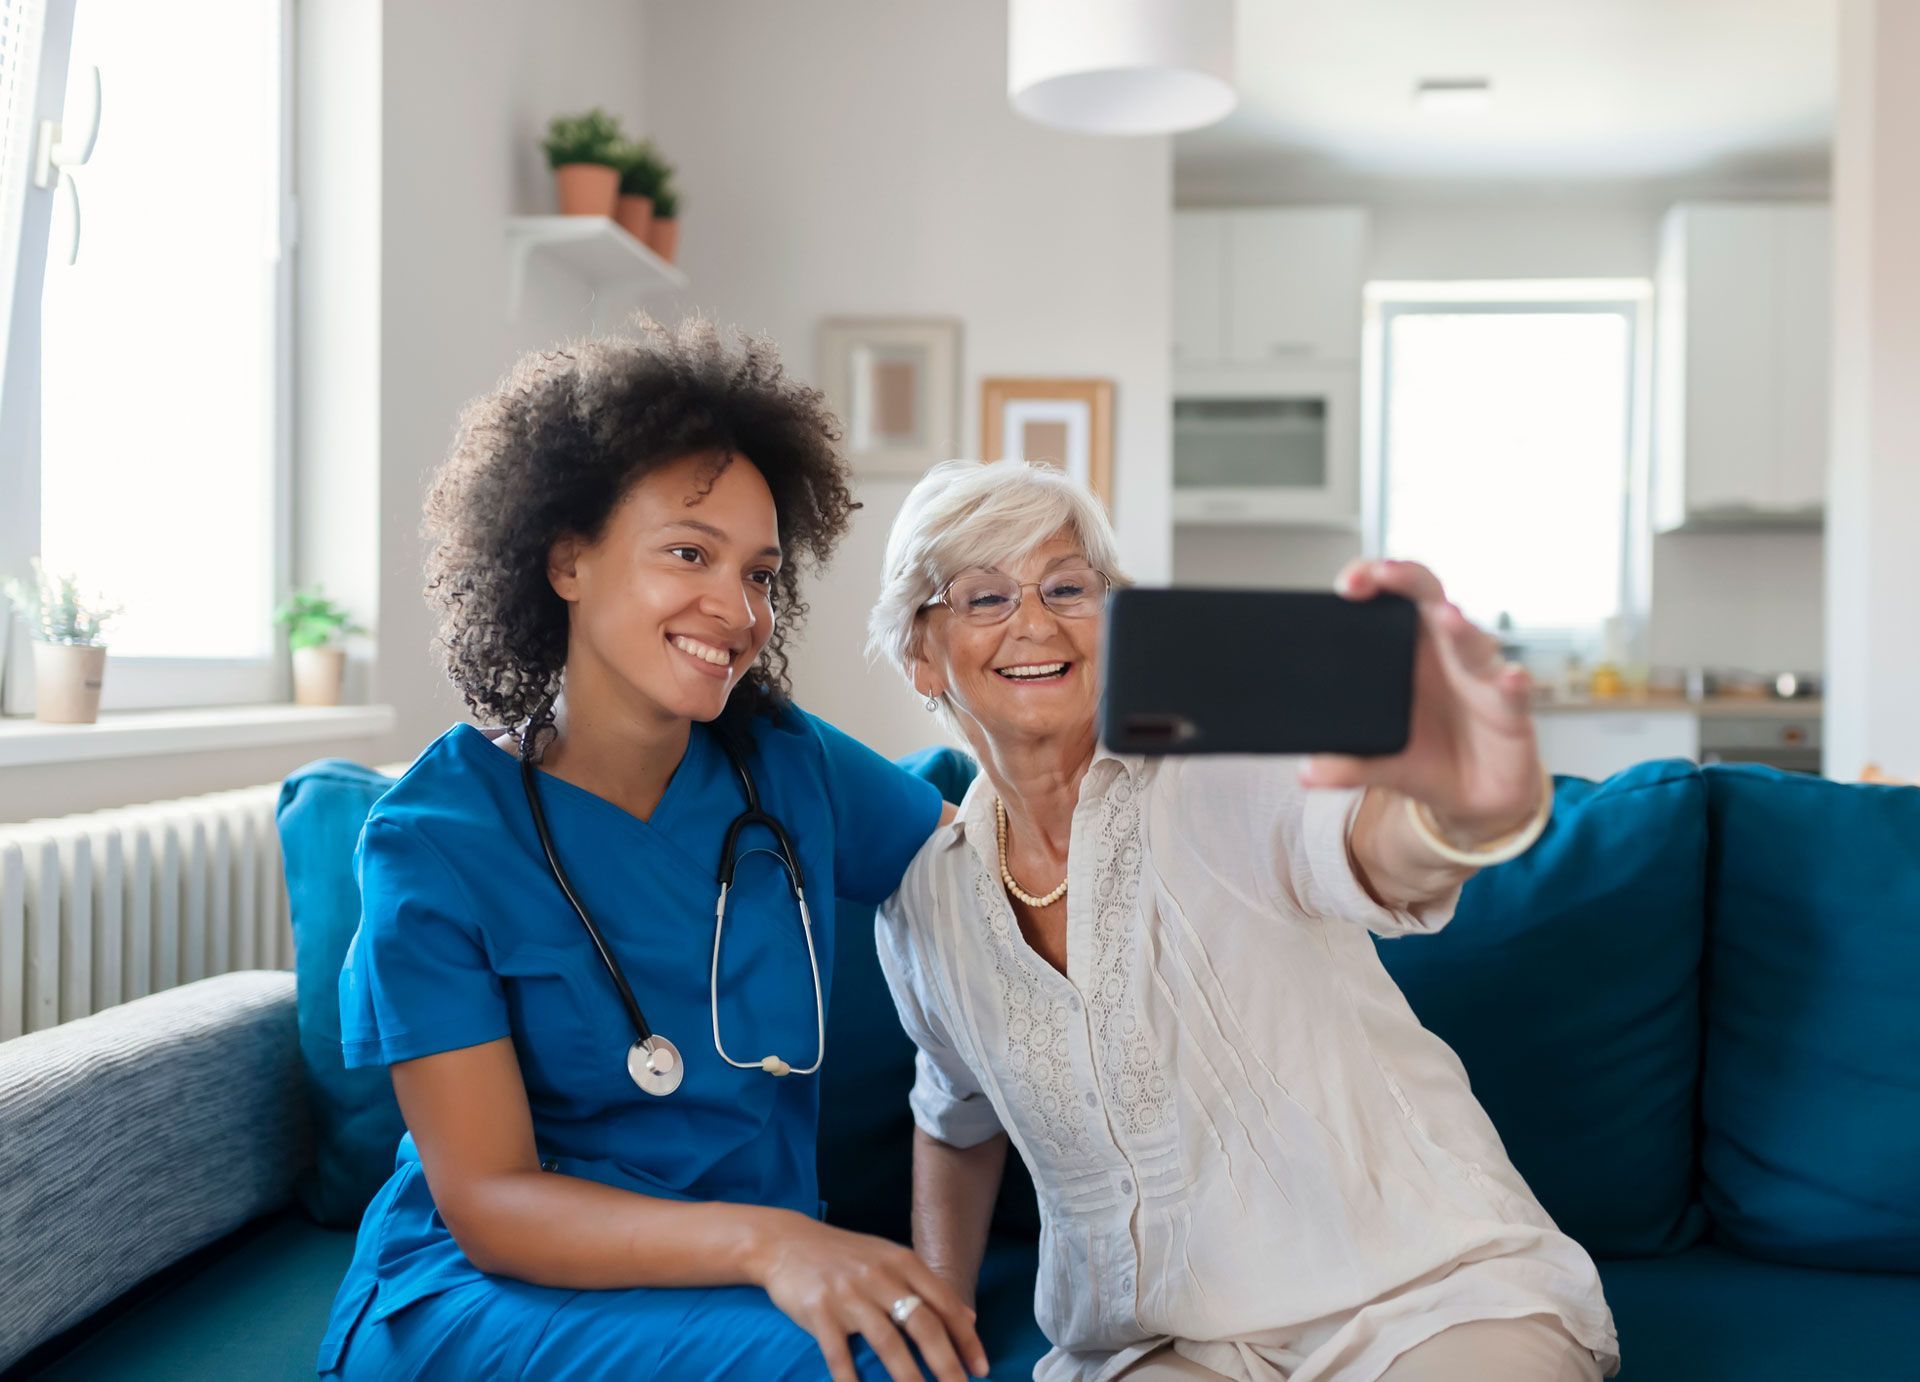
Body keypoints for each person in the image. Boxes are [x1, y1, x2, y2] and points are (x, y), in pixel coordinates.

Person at [317, 320, 988, 1382]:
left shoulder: (787, 765)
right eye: (689, 552)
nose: (736, 608)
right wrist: (775, 1241)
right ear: (566, 556)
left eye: (761, 572)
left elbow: (990, 874)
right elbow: (490, 1200)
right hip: (493, 1292)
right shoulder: (434, 841)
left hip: (739, 1287)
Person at [865, 459, 1619, 1382]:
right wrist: (935, 1313)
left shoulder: (1216, 771)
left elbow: (1371, 843)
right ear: (919, 650)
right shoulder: (925, 902)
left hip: (1422, 1297)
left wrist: (1458, 807)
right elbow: (954, 1114)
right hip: (1157, 1347)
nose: (1035, 622)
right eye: (982, 597)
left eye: (1068, 586)